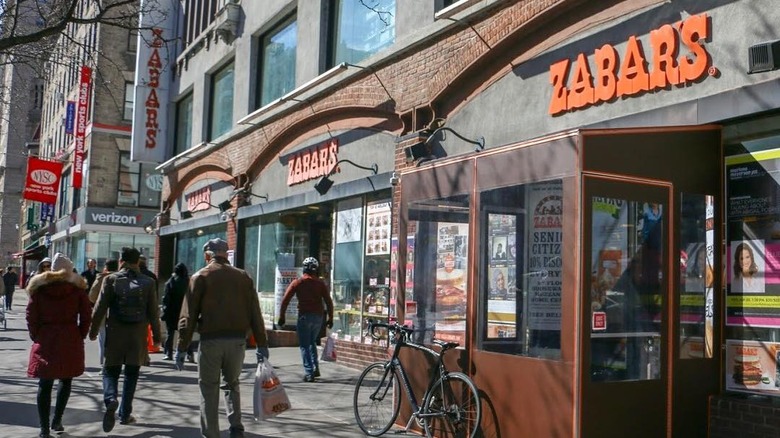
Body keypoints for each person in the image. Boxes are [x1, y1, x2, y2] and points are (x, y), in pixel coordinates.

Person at [176, 238, 268, 438]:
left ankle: (211, 433)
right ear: (226, 254)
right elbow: (255, 313)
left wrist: (182, 347)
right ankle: (236, 426)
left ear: (208, 255)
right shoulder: (243, 277)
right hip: (237, 341)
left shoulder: (200, 276)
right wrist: (262, 343)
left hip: (211, 340)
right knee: (232, 383)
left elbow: (188, 316)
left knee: (209, 388)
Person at [89, 247, 161, 433]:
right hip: (137, 335)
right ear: (138, 262)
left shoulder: (111, 280)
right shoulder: (148, 282)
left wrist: (93, 331)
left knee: (109, 371)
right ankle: (125, 414)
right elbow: (154, 313)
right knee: (131, 374)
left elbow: (99, 308)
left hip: (115, 333)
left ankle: (111, 398)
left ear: (121, 261)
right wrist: (158, 337)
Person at [26, 253, 91, 438]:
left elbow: (31, 316)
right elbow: (86, 315)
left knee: (45, 383)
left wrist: (36, 335)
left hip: (46, 336)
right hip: (70, 336)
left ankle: (44, 428)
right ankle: (58, 420)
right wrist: (80, 334)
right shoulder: (77, 290)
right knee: (66, 378)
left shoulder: (39, 290)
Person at [278, 257, 334, 382]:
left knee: (304, 345)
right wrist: (330, 318)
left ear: (304, 268)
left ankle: (309, 373)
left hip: (304, 316)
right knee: (312, 342)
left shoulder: (298, 282)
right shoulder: (320, 284)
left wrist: (282, 317)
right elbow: (329, 302)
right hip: (318, 317)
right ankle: (315, 368)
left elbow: (285, 300)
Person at [88, 259, 119, 369]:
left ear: (106, 267)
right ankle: (115, 363)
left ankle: (104, 364)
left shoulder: (101, 278)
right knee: (116, 341)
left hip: (102, 314)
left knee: (103, 340)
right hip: (117, 314)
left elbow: (91, 296)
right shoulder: (121, 278)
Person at [161, 262, 194, 361]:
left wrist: (164, 311)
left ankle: (168, 353)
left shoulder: (171, 282)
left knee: (170, 334)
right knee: (186, 334)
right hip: (185, 311)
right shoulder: (189, 282)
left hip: (172, 311)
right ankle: (190, 354)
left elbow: (166, 299)